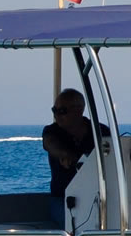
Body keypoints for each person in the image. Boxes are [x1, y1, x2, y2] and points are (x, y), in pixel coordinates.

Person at [41, 88, 110, 227]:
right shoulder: (52, 131)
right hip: (62, 199)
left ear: (78, 110)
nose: (57, 115)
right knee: (74, 225)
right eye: (54, 111)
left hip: (96, 198)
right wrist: (64, 155)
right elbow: (50, 143)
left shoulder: (100, 131)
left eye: (62, 111)